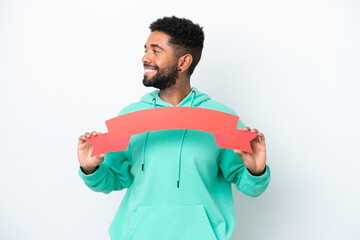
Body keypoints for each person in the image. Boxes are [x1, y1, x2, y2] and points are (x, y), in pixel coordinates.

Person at [78, 16, 270, 240]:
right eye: (146, 49)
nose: (145, 58)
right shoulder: (130, 116)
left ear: (183, 62)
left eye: (156, 51)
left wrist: (256, 172)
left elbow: (250, 187)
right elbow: (113, 179)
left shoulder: (222, 118)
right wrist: (91, 169)